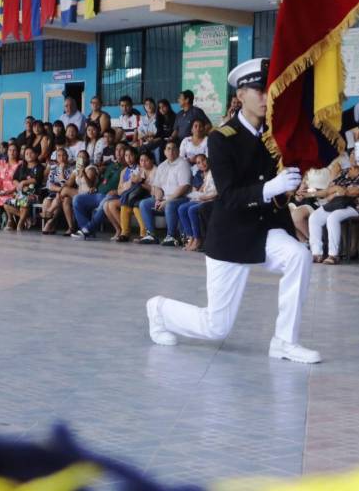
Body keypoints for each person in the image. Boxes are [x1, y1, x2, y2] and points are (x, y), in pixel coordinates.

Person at [146, 58, 320, 363]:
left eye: (269, 90)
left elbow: (315, 129)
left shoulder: (274, 135)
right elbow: (227, 196)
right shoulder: (221, 138)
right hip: (232, 236)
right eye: (258, 91)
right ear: (240, 95)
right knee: (216, 326)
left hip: (265, 229)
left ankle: (284, 341)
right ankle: (159, 310)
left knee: (299, 256)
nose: (267, 97)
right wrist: (271, 188)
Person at [308, 161, 359, 265]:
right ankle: (316, 253)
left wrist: (338, 191)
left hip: (354, 206)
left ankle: (333, 255)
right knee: (314, 217)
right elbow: (328, 192)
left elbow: (356, 192)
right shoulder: (344, 172)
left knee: (333, 218)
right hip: (336, 204)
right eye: (352, 153)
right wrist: (309, 194)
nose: (354, 156)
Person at [137, 140, 192, 247]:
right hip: (164, 198)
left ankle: (171, 236)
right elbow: (157, 186)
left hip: (181, 198)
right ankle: (151, 234)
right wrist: (158, 199)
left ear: (178, 151)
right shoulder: (162, 166)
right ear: (164, 152)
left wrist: (167, 200)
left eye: (174, 148)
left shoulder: (183, 164)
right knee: (144, 203)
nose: (171, 151)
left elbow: (184, 187)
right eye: (168, 149)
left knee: (170, 205)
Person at [69, 146, 125, 239]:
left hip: (112, 196)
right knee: (77, 199)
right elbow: (103, 180)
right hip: (98, 194)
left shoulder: (125, 168)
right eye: (116, 149)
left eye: (121, 150)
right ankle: (87, 231)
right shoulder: (111, 165)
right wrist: (95, 186)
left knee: (104, 203)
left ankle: (87, 229)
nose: (118, 152)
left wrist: (117, 191)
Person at [177, 154, 217, 252]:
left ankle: (197, 238)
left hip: (211, 199)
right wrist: (196, 195)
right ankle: (191, 238)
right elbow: (202, 189)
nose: (202, 164)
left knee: (192, 210)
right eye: (198, 163)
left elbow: (217, 193)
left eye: (203, 160)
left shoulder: (215, 172)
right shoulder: (206, 174)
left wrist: (204, 197)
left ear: (207, 160)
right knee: (182, 208)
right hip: (204, 198)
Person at [103, 147, 142, 242]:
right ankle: (119, 229)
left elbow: (137, 185)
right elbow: (119, 190)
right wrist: (126, 186)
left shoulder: (140, 168)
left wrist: (125, 187)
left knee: (111, 204)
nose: (128, 158)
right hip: (125, 197)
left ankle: (126, 231)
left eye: (131, 155)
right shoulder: (124, 171)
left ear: (136, 156)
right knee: (105, 205)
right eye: (126, 155)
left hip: (135, 197)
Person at [2, 147, 45, 231]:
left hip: (34, 194)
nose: (28, 155)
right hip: (21, 193)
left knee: (24, 202)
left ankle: (20, 224)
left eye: (31, 153)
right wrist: (19, 185)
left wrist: (23, 182)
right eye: (26, 153)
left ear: (36, 154)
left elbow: (36, 180)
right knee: (6, 203)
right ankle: (26, 217)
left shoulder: (39, 167)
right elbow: (14, 179)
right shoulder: (21, 166)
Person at [56, 149, 93, 236]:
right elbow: (68, 184)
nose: (81, 159)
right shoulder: (76, 170)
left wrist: (84, 173)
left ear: (87, 159)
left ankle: (52, 210)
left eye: (83, 157)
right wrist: (62, 171)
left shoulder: (91, 168)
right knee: (66, 200)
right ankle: (71, 227)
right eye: (79, 157)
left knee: (64, 191)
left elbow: (90, 185)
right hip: (79, 194)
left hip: (89, 195)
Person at [39, 148, 74, 234]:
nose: (61, 158)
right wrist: (59, 190)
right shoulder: (53, 168)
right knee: (46, 201)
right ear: (56, 158)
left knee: (58, 200)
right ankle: (51, 225)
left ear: (67, 157)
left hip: (67, 194)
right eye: (59, 156)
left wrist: (61, 170)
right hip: (55, 192)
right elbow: (49, 185)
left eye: (64, 155)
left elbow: (67, 184)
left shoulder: (72, 169)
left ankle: (49, 223)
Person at [0, 144, 22, 230]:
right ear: (7, 152)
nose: (12, 152)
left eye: (14, 150)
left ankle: (10, 221)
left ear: (17, 152)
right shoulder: (1, 163)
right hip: (2, 190)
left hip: (14, 191)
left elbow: (20, 181)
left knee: (6, 199)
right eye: (10, 150)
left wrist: (9, 191)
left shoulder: (20, 164)